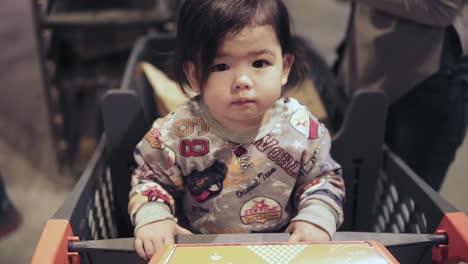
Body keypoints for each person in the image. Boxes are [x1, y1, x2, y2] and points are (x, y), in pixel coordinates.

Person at [128, 0, 346, 260]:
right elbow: (151, 178)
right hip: (200, 249)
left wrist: (316, 217)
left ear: (285, 67)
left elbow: (322, 179)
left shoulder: (300, 128)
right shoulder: (178, 133)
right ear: (194, 76)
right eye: (221, 66)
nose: (242, 81)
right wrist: (154, 217)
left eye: (259, 63)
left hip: (280, 246)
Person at [333, 0, 468, 191]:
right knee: (346, 198)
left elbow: (440, 9)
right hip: (363, 73)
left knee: (403, 207)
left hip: (421, 88)